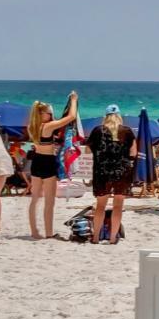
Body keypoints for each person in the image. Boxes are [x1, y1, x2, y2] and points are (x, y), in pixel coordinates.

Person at [23, 93, 81, 240]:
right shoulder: (47, 127)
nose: (51, 116)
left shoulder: (31, 127)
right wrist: (74, 100)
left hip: (36, 161)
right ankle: (49, 233)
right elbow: (71, 117)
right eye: (49, 113)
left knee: (35, 199)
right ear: (41, 114)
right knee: (49, 201)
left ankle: (34, 231)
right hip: (47, 162)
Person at [86, 104, 138, 244]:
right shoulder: (127, 131)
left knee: (100, 206)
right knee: (118, 206)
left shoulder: (98, 130)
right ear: (119, 116)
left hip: (102, 172)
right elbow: (133, 153)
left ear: (106, 117)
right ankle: (113, 238)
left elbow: (88, 150)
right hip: (122, 172)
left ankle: (95, 237)